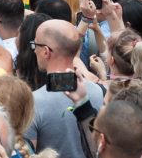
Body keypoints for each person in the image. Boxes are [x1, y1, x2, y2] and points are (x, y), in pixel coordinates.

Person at [24, 19, 104, 156]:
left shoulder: (32, 102)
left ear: (46, 51)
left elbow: (27, 153)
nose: (34, 50)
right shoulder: (99, 92)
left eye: (35, 45)